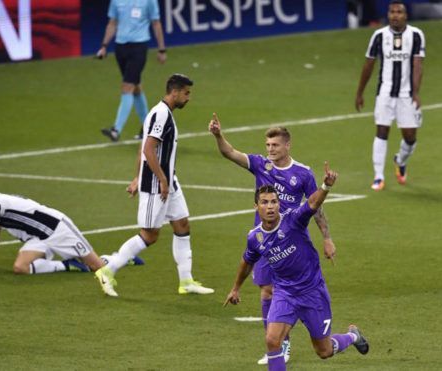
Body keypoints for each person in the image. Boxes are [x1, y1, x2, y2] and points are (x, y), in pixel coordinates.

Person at [209, 116, 335, 364]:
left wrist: (327, 238)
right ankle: (281, 344)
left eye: (275, 145)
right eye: (267, 145)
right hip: (266, 240)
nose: (270, 150)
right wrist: (217, 135)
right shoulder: (260, 165)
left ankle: (296, 329)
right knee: (266, 291)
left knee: (288, 289)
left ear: (287, 145)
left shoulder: (302, 173)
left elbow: (315, 206)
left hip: (292, 236)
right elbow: (230, 153)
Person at [224, 164, 369, 371]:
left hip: (312, 292)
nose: (270, 206)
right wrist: (235, 288)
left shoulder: (293, 220)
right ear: (256, 207)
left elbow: (312, 203)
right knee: (273, 341)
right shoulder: (254, 237)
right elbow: (247, 260)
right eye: (264, 202)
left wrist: (325, 187)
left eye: (274, 201)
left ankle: (352, 336)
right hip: (284, 293)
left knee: (324, 351)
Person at [96, 74, 214, 295]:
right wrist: (158, 179)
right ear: (175, 92)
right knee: (149, 235)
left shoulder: (163, 113)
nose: (188, 98)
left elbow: (143, 147)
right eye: (186, 93)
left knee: (182, 226)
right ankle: (107, 270)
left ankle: (186, 281)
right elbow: (149, 149)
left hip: (169, 182)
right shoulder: (161, 115)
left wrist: (136, 177)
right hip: (156, 186)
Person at [0, 176, 118, 297]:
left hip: (57, 229)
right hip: (37, 238)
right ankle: (67, 264)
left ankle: (119, 258)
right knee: (20, 267)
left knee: (97, 266)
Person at [354, 0, 425, 191]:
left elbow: (418, 65)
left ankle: (400, 160)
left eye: (399, 12)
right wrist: (360, 92)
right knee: (382, 131)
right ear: (388, 15)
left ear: (405, 15)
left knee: (410, 137)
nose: (395, 15)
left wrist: (416, 92)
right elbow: (368, 64)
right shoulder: (378, 36)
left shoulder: (416, 35)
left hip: (407, 95)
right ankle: (378, 176)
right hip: (384, 93)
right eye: (392, 11)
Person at [97, 0, 167, 142]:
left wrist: (161, 49)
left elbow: (156, 23)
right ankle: (148, 128)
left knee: (127, 86)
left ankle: (116, 130)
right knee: (135, 87)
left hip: (139, 47)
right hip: (120, 48)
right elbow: (112, 22)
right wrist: (104, 46)